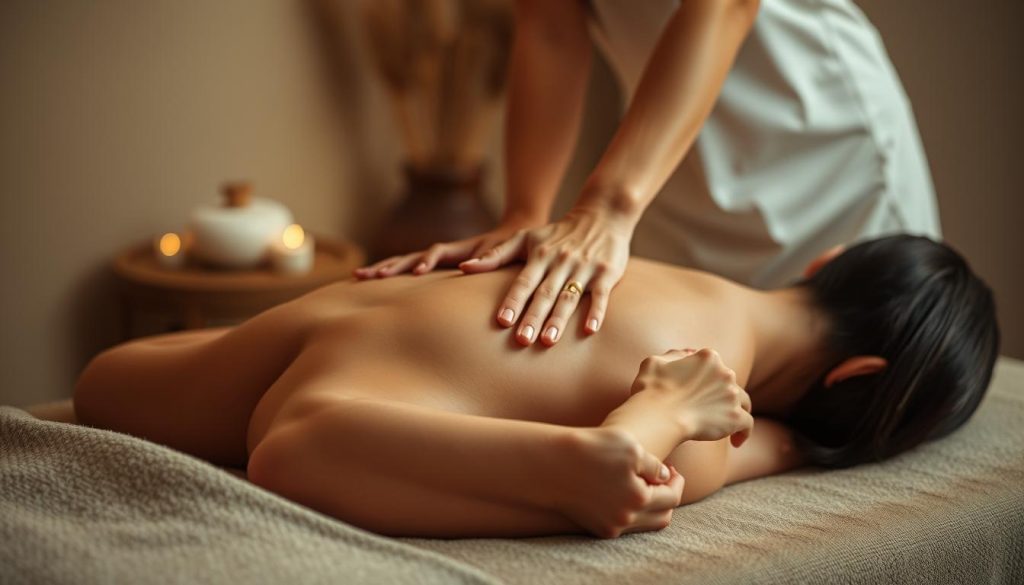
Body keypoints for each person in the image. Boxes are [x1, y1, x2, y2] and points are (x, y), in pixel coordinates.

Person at [69, 236, 998, 538]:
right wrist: (795, 442)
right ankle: (603, 453)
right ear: (858, 379)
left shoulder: (646, 260)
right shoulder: (721, 415)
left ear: (828, 261)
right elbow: (757, 449)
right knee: (294, 446)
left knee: (106, 386)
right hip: (331, 416)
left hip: (327, 325)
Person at [356, 0, 941, 350]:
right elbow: (550, 26)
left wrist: (606, 208)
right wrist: (524, 213)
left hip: (819, 144)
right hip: (665, 156)